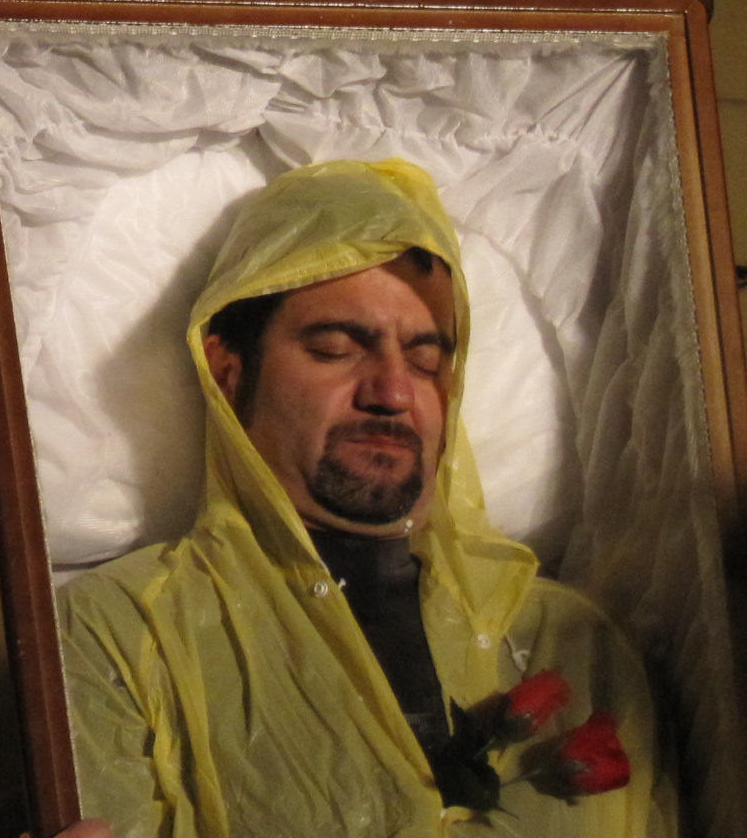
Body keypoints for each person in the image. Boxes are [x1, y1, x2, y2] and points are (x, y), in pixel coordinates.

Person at [60, 159, 676, 838]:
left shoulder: (576, 643)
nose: (393, 391)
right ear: (228, 373)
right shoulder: (120, 633)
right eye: (335, 348)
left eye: (426, 360)